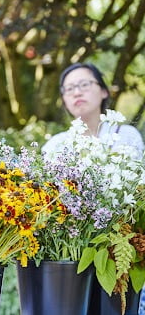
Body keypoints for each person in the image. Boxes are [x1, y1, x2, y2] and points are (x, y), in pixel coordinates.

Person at [42, 62, 144, 315]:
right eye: (69, 89)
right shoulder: (56, 145)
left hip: (116, 248)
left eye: (84, 84)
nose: (77, 92)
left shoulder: (126, 135)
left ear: (104, 91)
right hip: (67, 252)